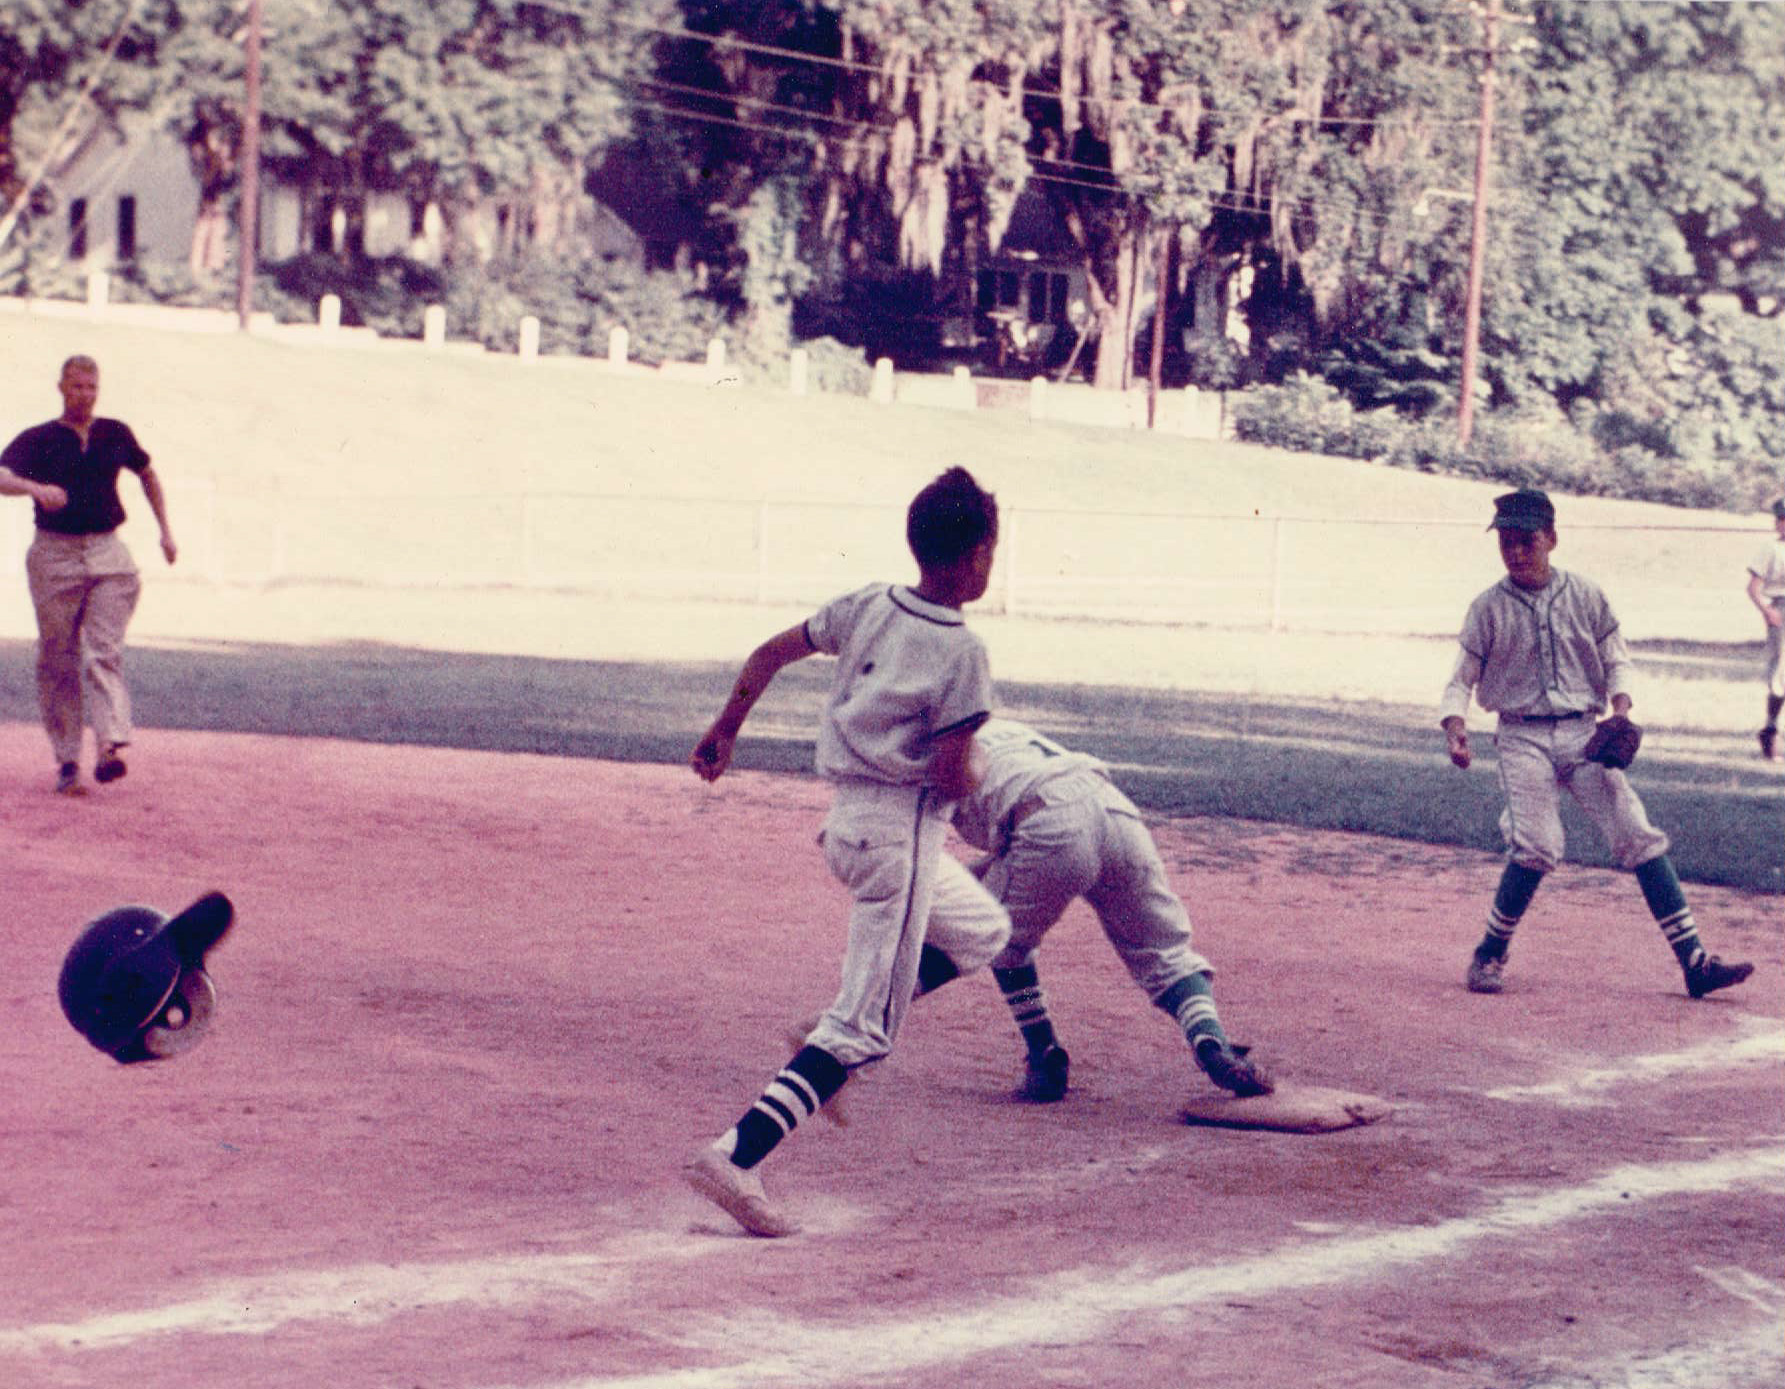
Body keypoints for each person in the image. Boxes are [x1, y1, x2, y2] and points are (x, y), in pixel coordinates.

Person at [684, 466, 1011, 1237]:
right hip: (900, 837)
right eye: (990, 549)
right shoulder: (962, 650)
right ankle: (735, 1155)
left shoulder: (868, 602)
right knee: (865, 1029)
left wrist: (725, 728)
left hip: (853, 824)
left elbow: (770, 652)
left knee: (982, 932)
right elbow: (948, 771)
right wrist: (980, 771)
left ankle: (820, 1035)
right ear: (972, 557)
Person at [1440, 487, 1753, 1000]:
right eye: (1507, 542)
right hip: (1522, 736)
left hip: (1586, 733)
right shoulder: (1487, 608)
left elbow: (1617, 660)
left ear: (1552, 539)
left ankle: (1694, 962)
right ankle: (1489, 953)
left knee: (1636, 831)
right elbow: (1461, 678)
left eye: (1527, 540)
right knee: (1539, 845)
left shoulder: (1586, 594)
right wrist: (1455, 726)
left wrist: (1622, 709)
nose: (1516, 551)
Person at [951, 716, 1273, 1104]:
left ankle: (1045, 1057)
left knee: (1002, 941)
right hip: (1113, 808)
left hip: (1046, 823)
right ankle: (1211, 1040)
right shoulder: (995, 727)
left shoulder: (930, 751)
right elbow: (1009, 844)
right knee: (1166, 953)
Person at [0, 355, 178, 794]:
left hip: (107, 552)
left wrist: (165, 531)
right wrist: (35, 489)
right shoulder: (39, 438)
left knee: (102, 650)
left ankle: (109, 747)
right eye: (77, 387)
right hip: (54, 556)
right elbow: (1, 475)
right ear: (61, 387)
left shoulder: (114, 433)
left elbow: (147, 473)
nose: (85, 395)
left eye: (92, 387)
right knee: (58, 656)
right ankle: (66, 760)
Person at [1744, 497, 1785, 762]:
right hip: (1781, 609)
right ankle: (1770, 730)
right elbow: (1754, 588)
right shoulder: (1771, 550)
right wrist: (1768, 611)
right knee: (1780, 674)